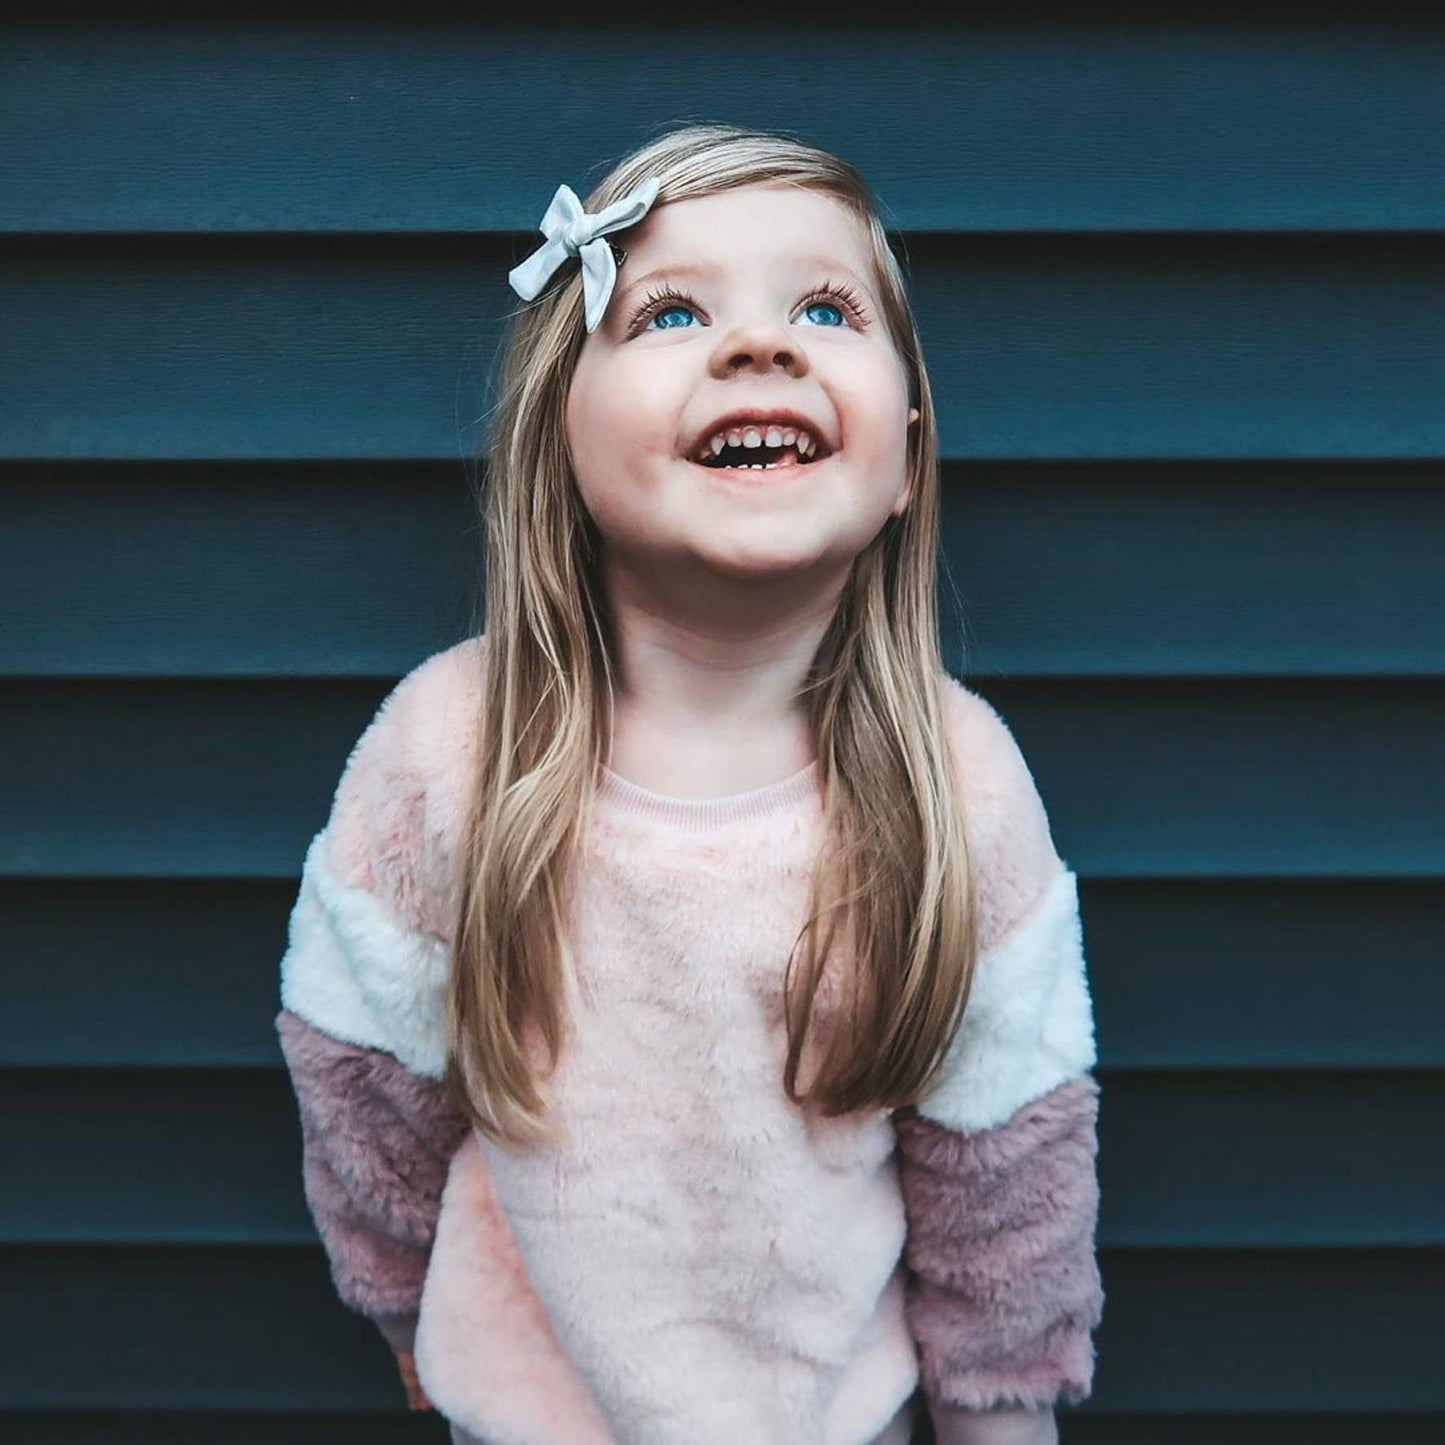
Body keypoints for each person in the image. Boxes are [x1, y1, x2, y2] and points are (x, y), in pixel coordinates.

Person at [274, 122, 1103, 1445]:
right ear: (560, 429)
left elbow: (1008, 1169)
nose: (758, 344)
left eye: (823, 307)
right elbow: (360, 1080)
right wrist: (395, 1307)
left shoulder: (959, 785)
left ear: (905, 441)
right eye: (669, 310)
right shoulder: (447, 751)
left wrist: (1003, 1413)